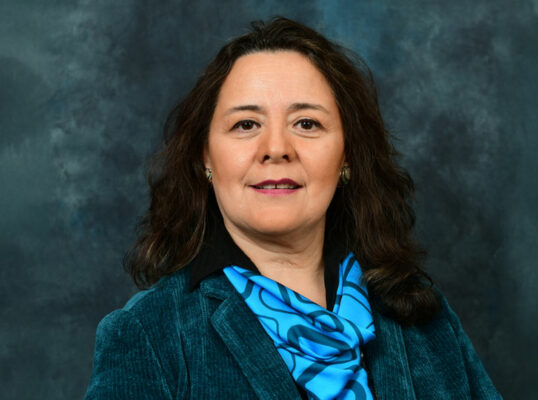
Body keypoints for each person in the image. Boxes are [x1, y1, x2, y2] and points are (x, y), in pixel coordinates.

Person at [84, 17, 502, 399]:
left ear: (347, 156)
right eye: (246, 124)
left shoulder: (422, 315)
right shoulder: (149, 334)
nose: (276, 149)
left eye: (306, 123)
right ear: (205, 158)